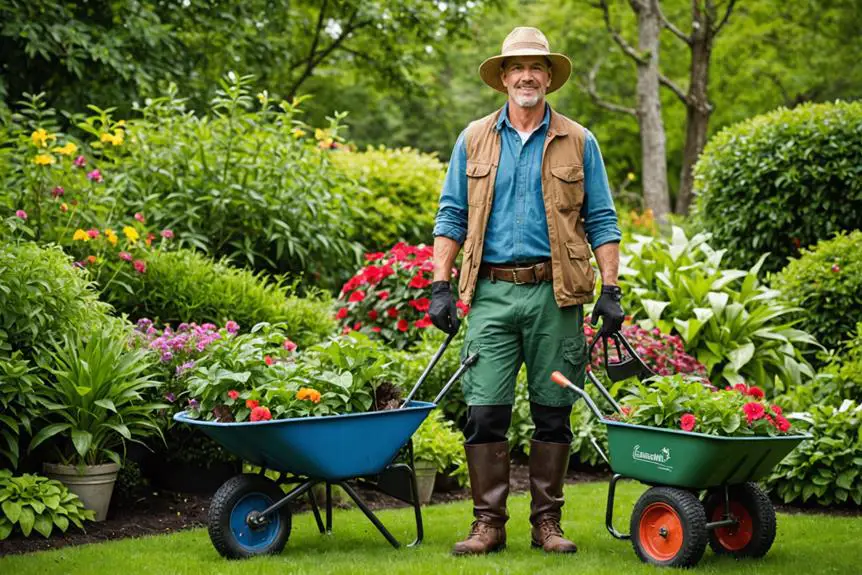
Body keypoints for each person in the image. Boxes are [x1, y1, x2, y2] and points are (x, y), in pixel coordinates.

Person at [429, 26, 625, 556]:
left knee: (553, 409)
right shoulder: (473, 139)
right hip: (491, 292)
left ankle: (547, 524)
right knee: (484, 409)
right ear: (503, 78)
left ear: (548, 78)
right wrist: (440, 285)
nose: (526, 76)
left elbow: (602, 218)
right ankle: (487, 525)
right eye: (516, 67)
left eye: (536, 67)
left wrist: (612, 290)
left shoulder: (579, 140)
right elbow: (451, 214)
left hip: (555, 295)